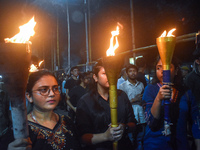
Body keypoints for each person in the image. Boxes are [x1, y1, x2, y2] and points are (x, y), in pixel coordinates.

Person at [0, 70, 80, 150]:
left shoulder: (67, 121)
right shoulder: (19, 131)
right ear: (29, 96)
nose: (52, 94)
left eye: (55, 88)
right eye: (43, 90)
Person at [75, 60, 137, 150]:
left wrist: (124, 127)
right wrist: (105, 136)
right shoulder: (85, 101)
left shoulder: (122, 96)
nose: (110, 76)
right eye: (104, 73)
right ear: (95, 77)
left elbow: (133, 123)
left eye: (113, 73)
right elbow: (82, 137)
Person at [142, 56, 200, 150]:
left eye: (167, 67)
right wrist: (158, 98)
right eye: (158, 68)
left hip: (180, 145)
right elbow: (151, 123)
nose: (162, 71)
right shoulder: (150, 90)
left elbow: (196, 122)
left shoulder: (186, 92)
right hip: (155, 145)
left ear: (176, 70)